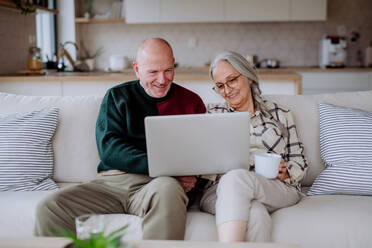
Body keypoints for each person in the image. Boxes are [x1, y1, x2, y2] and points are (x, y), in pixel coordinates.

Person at [34, 38, 206, 240]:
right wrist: (165, 166)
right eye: (153, 72)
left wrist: (190, 177)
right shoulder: (117, 96)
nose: (162, 79)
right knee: (49, 207)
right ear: (136, 69)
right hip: (112, 183)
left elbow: (201, 156)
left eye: (168, 70)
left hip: (161, 184)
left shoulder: (191, 102)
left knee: (169, 190)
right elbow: (110, 150)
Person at [199, 51, 308, 242]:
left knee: (237, 179)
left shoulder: (280, 114)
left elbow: (299, 161)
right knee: (255, 214)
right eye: (220, 86)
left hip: (274, 187)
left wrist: (287, 172)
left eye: (232, 80)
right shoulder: (211, 115)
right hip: (219, 189)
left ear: (248, 76)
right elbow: (200, 163)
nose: (227, 90)